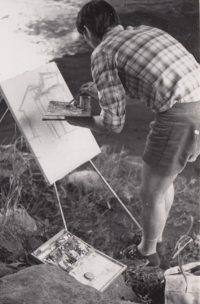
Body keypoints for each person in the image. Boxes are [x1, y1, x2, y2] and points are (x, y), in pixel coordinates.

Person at [65, 0, 200, 267]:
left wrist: (77, 120)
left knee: (150, 192)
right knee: (162, 182)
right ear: (114, 20)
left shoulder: (102, 52)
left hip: (179, 115)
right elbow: (149, 79)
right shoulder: (145, 31)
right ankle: (155, 238)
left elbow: (113, 125)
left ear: (88, 32)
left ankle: (147, 254)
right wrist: (102, 90)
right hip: (196, 103)